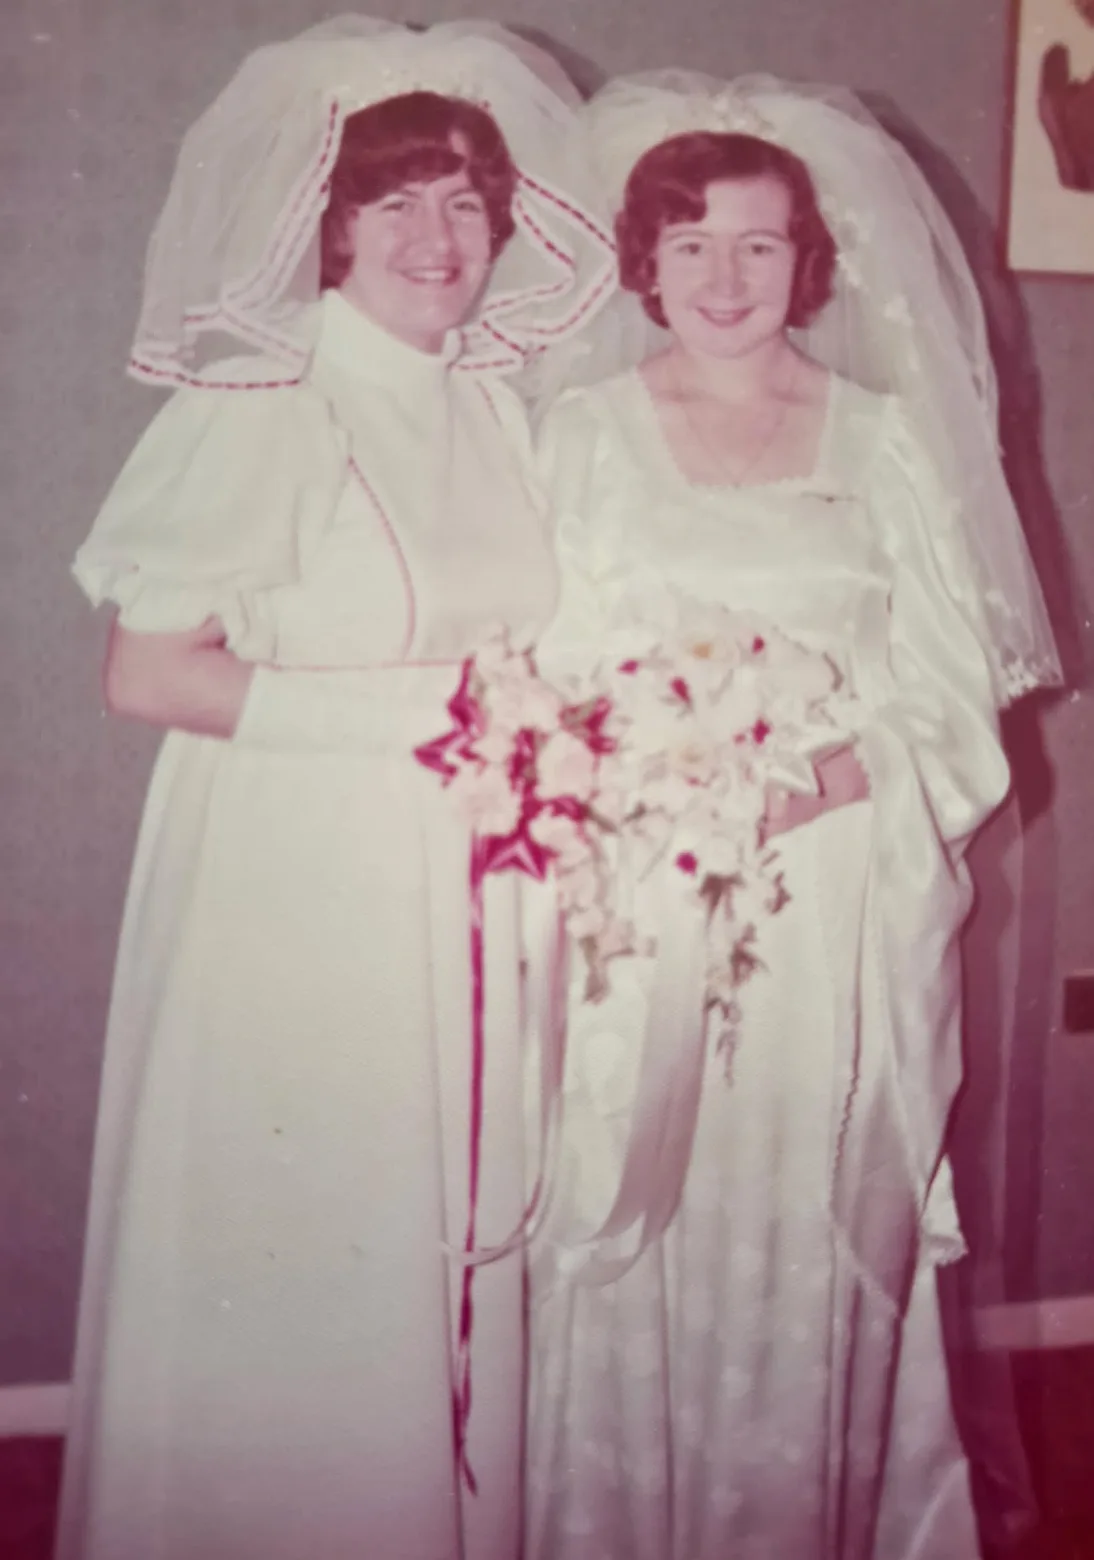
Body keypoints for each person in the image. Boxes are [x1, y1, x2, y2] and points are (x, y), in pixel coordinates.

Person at [57, 18, 612, 1560]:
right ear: (330, 222)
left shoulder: (493, 407)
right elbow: (149, 676)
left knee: (438, 1237)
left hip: (463, 880)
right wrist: (425, 719)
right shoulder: (269, 399)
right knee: (313, 1236)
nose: (438, 241)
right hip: (295, 878)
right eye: (395, 204)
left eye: (465, 204)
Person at [523, 74, 1061, 1560]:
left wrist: (810, 782)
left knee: (800, 1198)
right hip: (632, 890)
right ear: (639, 262)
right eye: (688, 244)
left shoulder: (886, 440)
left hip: (831, 893)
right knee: (636, 1186)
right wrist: (652, 778)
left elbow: (957, 700)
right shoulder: (575, 434)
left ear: (808, 263)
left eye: (757, 247)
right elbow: (532, 673)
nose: (721, 279)